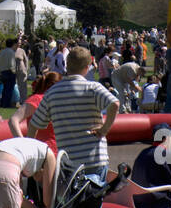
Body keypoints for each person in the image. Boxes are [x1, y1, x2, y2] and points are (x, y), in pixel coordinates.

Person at [8, 46, 119, 180]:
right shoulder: (93, 88)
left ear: (66, 65)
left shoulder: (52, 93)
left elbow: (33, 125)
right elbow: (114, 103)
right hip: (94, 157)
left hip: (68, 162)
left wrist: (33, 154)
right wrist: (104, 129)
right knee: (94, 198)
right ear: (87, 66)